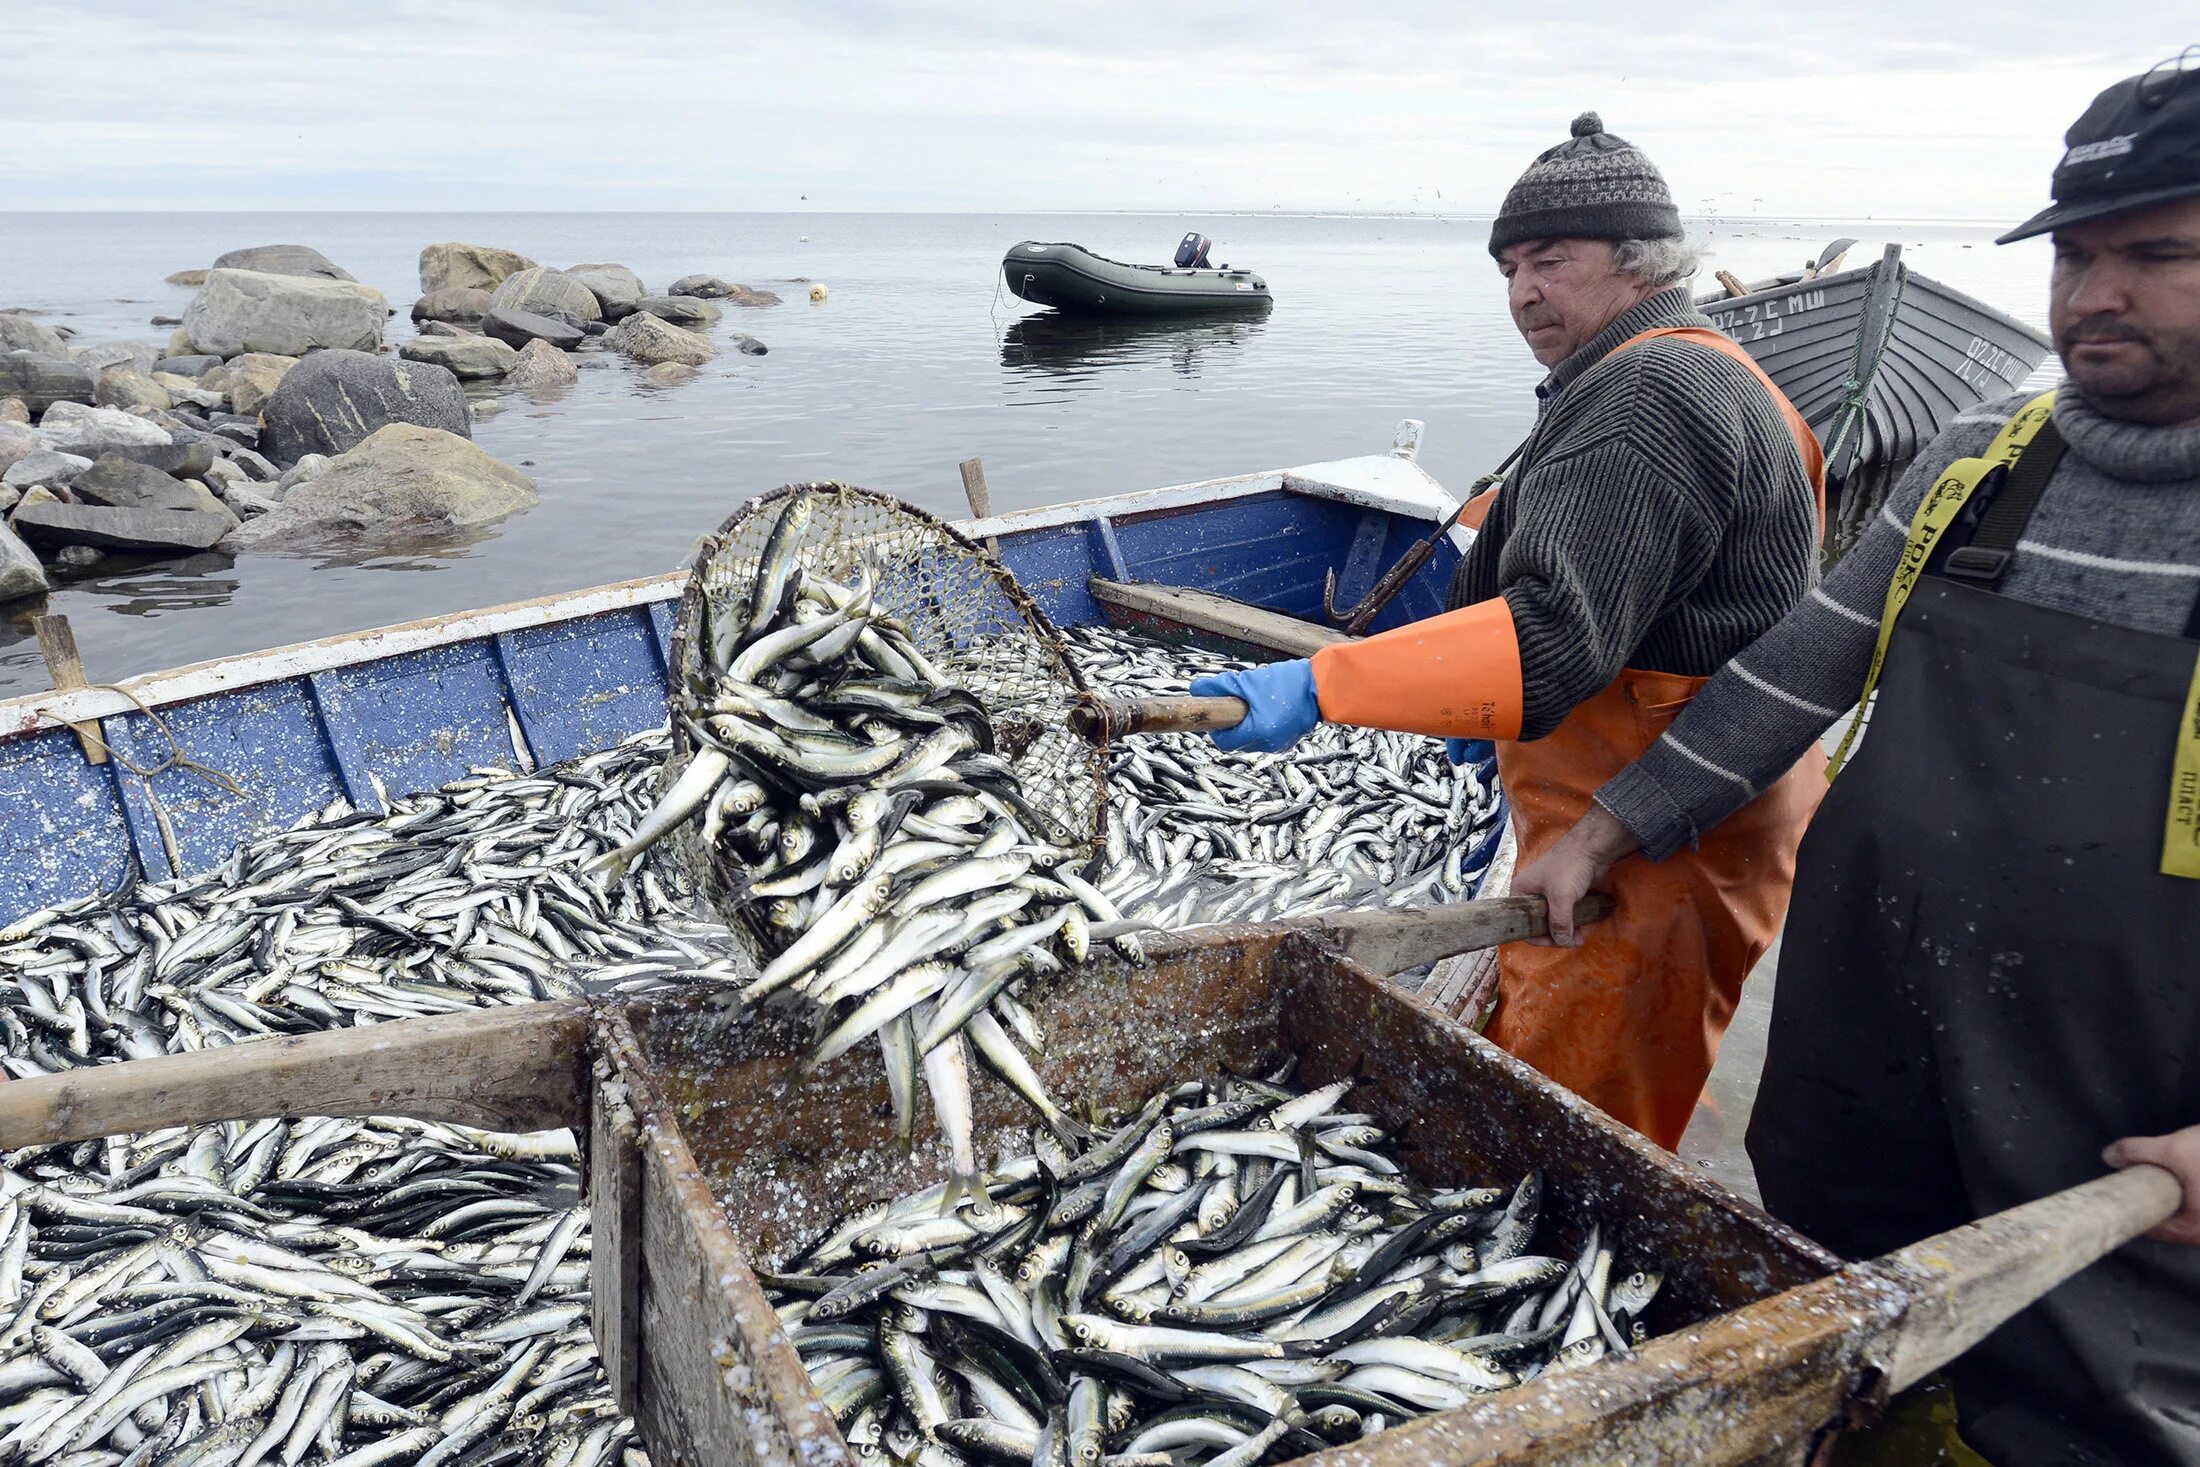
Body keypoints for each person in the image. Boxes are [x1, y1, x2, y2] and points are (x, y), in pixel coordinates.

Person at [1515, 53, 2200, 1465]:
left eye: (2157, 254)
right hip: (1870, 1032)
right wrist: (1609, 825)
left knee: (2085, 1402)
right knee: (1835, 1323)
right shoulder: (1978, 462)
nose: (2094, 295)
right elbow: (1789, 674)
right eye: (2076, 255)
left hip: (2130, 1102)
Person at [1188, 112, 1826, 1150]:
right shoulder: (1711, 365)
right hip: (1705, 801)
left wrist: (1326, 685)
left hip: (1650, 828)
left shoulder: (1648, 394)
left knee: (1563, 1131)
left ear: (1638, 262)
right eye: (1509, 267)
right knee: (1630, 1058)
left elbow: (1551, 644)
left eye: (1551, 261)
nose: (1524, 292)